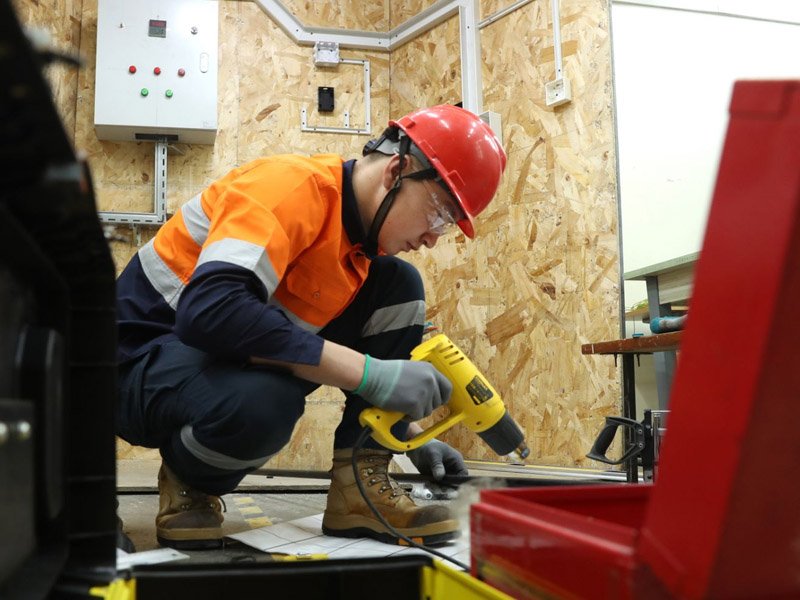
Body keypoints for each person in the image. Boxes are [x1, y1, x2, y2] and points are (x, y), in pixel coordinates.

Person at [115, 104, 507, 549]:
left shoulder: (356, 254)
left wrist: (404, 436)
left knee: (399, 283)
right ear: (396, 170)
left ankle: (358, 488)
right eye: (439, 213)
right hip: (136, 366)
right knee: (267, 404)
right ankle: (189, 481)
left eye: (448, 226)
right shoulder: (287, 188)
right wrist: (371, 374)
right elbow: (213, 312)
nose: (434, 237)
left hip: (212, 362)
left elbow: (287, 338)